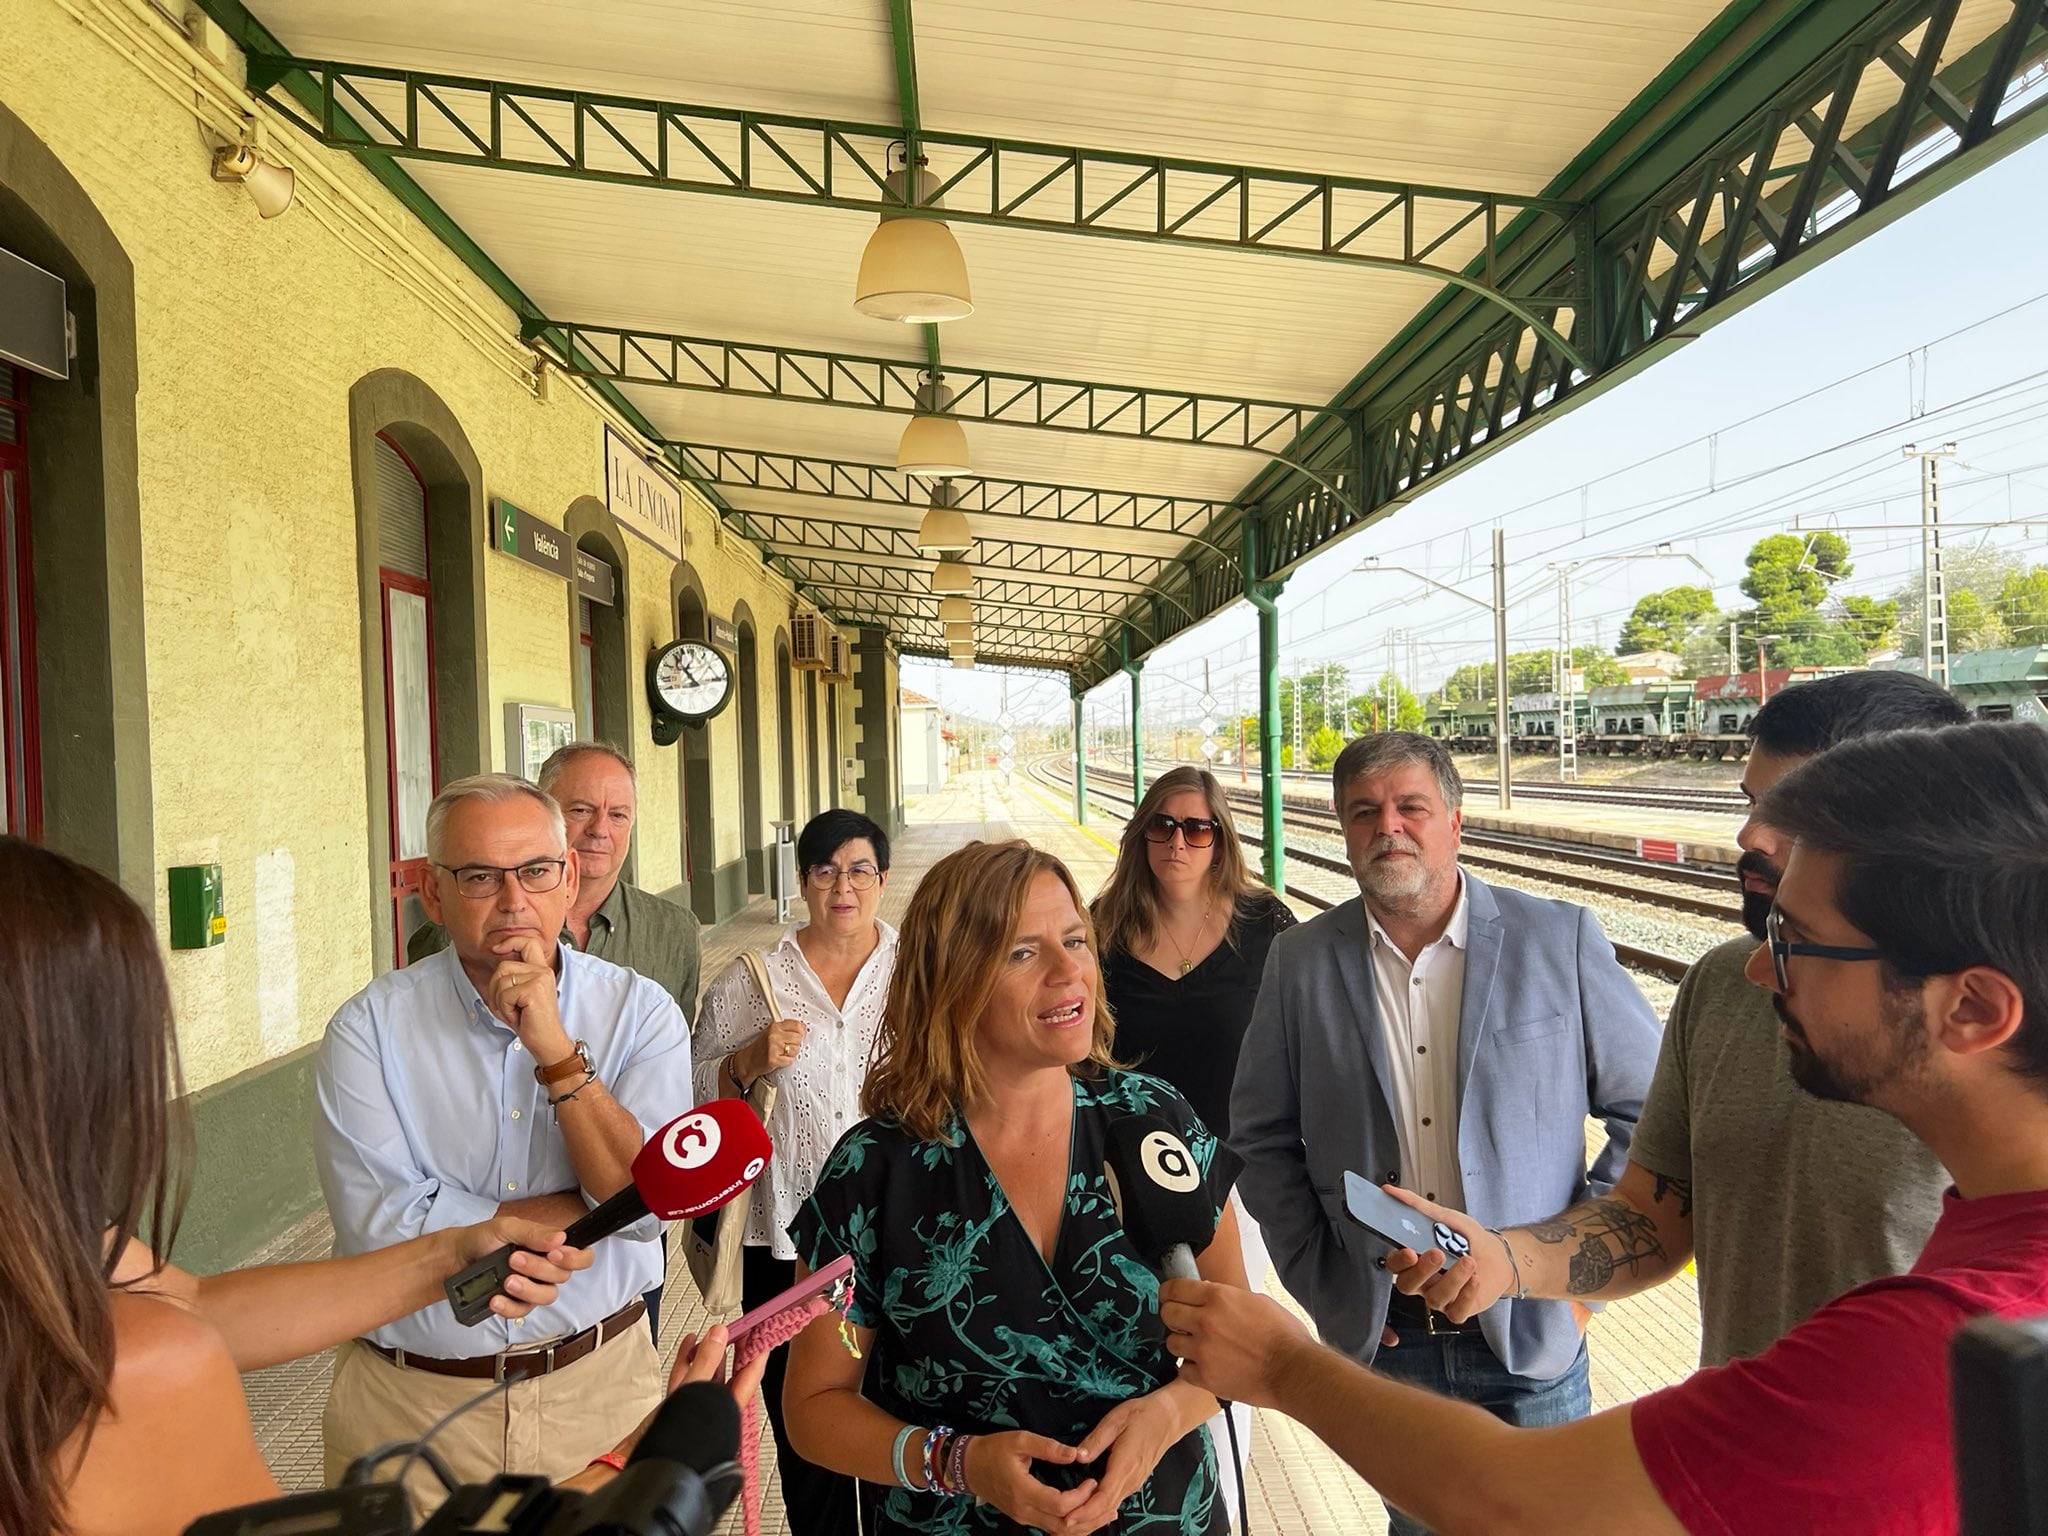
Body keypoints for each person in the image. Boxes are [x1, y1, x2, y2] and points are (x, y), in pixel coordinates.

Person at [1165, 721, 2048, 1534]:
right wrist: (1498, 1262)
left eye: (1795, 940)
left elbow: (1509, 1495)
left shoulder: (1922, 1346)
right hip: (1399, 1322)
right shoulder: (1983, 1269)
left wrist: (1283, 1365)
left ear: (1973, 1009)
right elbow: (1659, 1200)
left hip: (1533, 1356)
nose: (1754, 967)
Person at [0, 834, 761, 1536]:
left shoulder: (73, 1264)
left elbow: (194, 1304)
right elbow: (178, 1326)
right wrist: (647, 1474)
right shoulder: (139, 1369)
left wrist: (453, 1251)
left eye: (534, 870)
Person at [1385, 670, 1969, 1366]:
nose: (1750, 833)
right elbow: (1653, 1215)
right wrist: (1505, 1264)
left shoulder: (1998, 1031)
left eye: (1796, 812)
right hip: (1741, 1440)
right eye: (1754, 802)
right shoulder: (1725, 985)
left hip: (1937, 1465)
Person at [1229, 730, 1659, 1535]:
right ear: (1343, 829)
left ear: (1453, 821)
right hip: (1388, 1338)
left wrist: (1574, 1284)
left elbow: (1658, 1116)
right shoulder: (1300, 962)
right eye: (1364, 812)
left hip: (1532, 1334)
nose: (1387, 826)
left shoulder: (1557, 939)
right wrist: (1327, 1288)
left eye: (1410, 807)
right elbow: (1260, 1138)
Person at [780, 840, 1248, 1535]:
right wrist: (956, 1463)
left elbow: (1240, 1333)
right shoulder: (874, 1172)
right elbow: (816, 1403)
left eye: (1075, 940)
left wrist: (1168, 1415)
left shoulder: (1152, 1121)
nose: (1071, 973)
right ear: (952, 981)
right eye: (1023, 953)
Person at [315, 774, 698, 1509]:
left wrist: (554, 1051)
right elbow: (384, 1231)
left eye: (535, 872)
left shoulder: (641, 1014)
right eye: (480, 876)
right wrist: (585, 1207)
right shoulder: (369, 1030)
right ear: (433, 893)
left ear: (569, 880)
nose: (513, 900)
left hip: (596, 1396)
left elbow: (647, 1210)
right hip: (408, 1410)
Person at [411, 742, 700, 1341]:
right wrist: (594, 1210)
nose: (600, 829)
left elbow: (648, 1185)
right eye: (581, 810)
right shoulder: (457, 940)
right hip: (456, 1306)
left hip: (603, 1286)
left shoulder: (671, 935)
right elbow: (386, 1208)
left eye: (618, 814)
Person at [1092, 763, 1295, 1526]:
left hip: (1237, 1180)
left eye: (1197, 827)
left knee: (1230, 1338)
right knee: (1141, 1338)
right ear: (1143, 835)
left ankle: (1222, 1494)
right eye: (1164, 826)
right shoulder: (1102, 928)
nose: (1179, 842)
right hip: (1127, 1178)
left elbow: (1303, 1051)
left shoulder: (1265, 928)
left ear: (1220, 839)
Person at [691, 808, 898, 1535]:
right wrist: (746, 1061)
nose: (844, 886)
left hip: (895, 1240)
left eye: (859, 869)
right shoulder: (754, 980)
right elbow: (696, 1095)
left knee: (892, 1416)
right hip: (786, 1242)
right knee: (804, 1429)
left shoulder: (915, 974)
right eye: (825, 869)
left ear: (882, 879)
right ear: (804, 881)